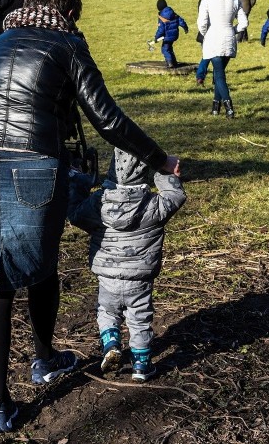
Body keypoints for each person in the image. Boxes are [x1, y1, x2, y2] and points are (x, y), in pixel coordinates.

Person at [0, 0, 179, 435]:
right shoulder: (69, 45)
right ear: (70, 14)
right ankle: (44, 359)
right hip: (35, 162)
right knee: (41, 267)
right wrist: (160, 159)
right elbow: (109, 120)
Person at [67, 148, 186, 382]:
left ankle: (111, 342)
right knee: (140, 318)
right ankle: (141, 366)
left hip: (108, 276)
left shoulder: (97, 203)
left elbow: (75, 214)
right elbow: (175, 196)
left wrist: (78, 181)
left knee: (106, 311)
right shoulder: (154, 204)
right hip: (139, 280)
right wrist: (165, 171)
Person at [198, 0, 248, 118]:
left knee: (219, 76)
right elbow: (244, 23)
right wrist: (232, 29)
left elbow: (201, 22)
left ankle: (229, 108)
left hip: (214, 37)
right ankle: (215, 107)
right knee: (218, 73)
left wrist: (205, 34)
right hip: (229, 38)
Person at [195, 0, 230, 85]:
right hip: (218, 29)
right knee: (219, 57)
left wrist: (203, 30)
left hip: (207, 28)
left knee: (207, 54)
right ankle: (216, 79)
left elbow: (200, 10)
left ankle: (201, 76)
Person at [154, 0, 189, 68]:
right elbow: (181, 20)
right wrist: (185, 27)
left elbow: (161, 30)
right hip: (175, 35)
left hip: (167, 36)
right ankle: (174, 62)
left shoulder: (162, 17)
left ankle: (170, 63)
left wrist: (156, 37)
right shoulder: (173, 13)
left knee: (165, 49)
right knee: (169, 48)